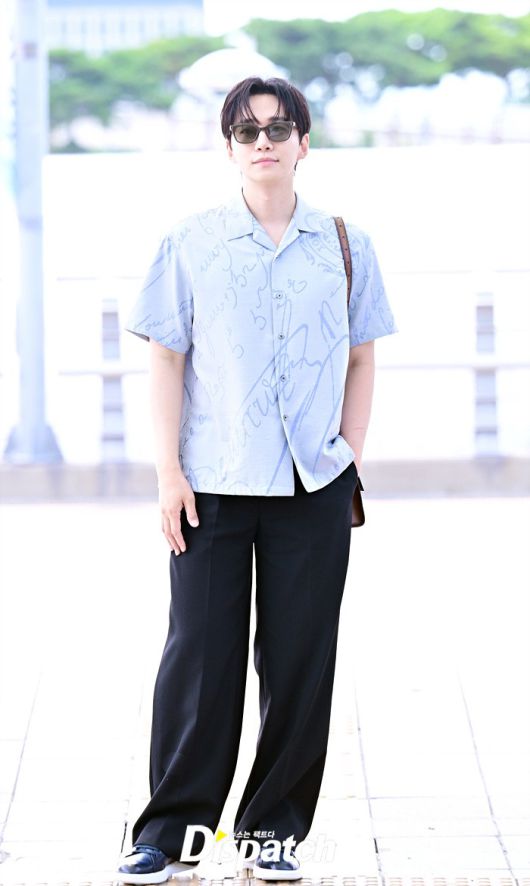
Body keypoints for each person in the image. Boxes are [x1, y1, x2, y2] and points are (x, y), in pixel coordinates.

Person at [117, 76, 397, 885]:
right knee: (199, 659)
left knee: (301, 661)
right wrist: (168, 474)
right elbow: (166, 359)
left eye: (278, 128)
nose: (264, 142)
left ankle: (273, 829)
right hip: (211, 482)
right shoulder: (190, 242)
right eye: (248, 131)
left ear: (304, 142)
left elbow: (362, 357)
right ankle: (171, 833)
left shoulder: (346, 244)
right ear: (230, 147)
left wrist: (348, 454)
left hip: (313, 484)